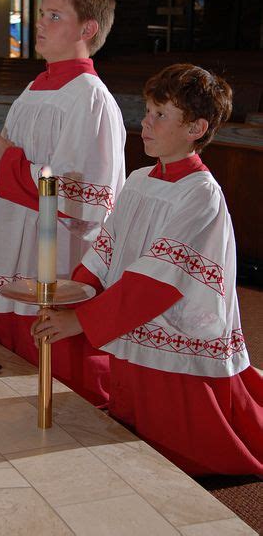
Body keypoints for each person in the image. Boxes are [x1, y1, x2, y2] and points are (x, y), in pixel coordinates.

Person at [32, 63, 263, 477]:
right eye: (148, 110)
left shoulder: (201, 195)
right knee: (131, 423)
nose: (146, 122)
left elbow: (157, 281)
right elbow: (106, 251)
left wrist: (81, 320)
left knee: (176, 450)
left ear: (196, 128)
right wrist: (67, 295)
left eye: (161, 115)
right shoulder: (139, 179)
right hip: (129, 316)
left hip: (172, 324)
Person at [0, 0, 126, 405]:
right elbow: (8, 165)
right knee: (5, 364)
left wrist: (8, 165)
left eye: (54, 16)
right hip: (11, 239)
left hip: (55, 252)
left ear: (87, 29)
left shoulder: (90, 98)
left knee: (61, 381)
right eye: (41, 14)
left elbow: (86, 197)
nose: (40, 24)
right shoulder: (35, 88)